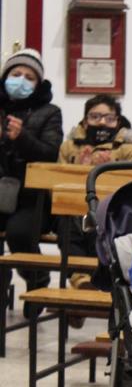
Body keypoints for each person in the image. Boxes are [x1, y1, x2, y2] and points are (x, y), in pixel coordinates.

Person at [58, 95, 132, 296]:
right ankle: (80, 279)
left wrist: (108, 169)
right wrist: (81, 168)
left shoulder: (128, 149)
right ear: (85, 120)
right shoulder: (69, 147)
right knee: (67, 228)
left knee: (98, 228)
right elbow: (57, 180)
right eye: (95, 117)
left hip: (111, 210)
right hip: (72, 208)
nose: (102, 122)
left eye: (108, 118)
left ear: (118, 122)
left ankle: (96, 282)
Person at [0, 48, 63, 296]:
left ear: (38, 83)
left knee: (19, 234)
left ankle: (36, 278)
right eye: (16, 74)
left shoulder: (50, 112)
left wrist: (21, 137)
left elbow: (50, 153)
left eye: (29, 77)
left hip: (32, 199)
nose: (21, 81)